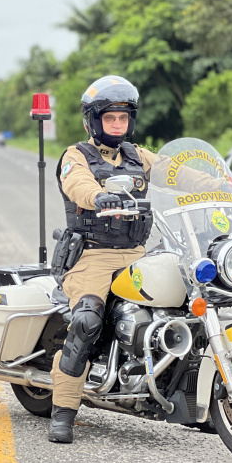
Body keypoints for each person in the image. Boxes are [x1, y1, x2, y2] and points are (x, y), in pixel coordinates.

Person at [49, 75, 157, 444]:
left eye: (123, 119)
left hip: (137, 254)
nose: (117, 125)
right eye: (110, 118)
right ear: (93, 121)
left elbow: (175, 172)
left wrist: (217, 182)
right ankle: (63, 411)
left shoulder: (137, 155)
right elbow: (76, 183)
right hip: (92, 256)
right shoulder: (76, 156)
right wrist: (98, 197)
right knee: (86, 322)